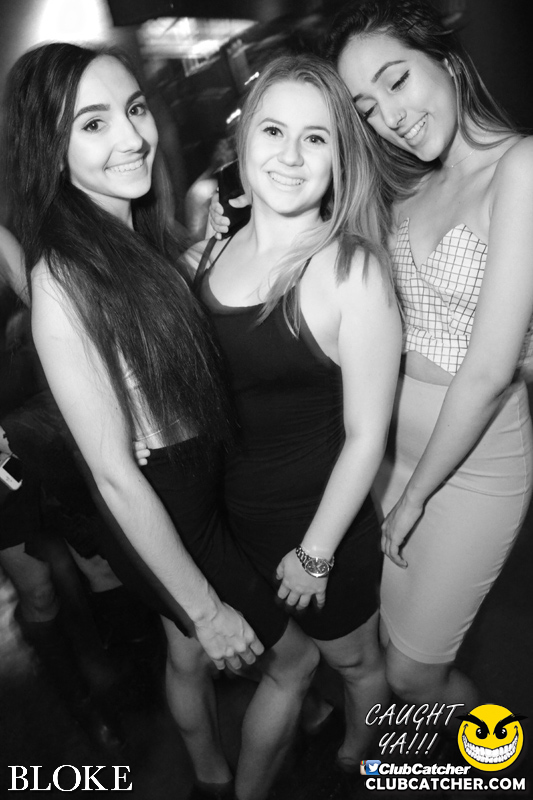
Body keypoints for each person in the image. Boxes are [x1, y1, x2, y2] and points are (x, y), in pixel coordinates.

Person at [4, 43, 320, 800]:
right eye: (93, 124)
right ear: (50, 148)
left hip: (188, 485)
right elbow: (114, 474)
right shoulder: (62, 280)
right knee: (294, 661)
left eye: (135, 110)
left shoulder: (125, 235)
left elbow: (148, 337)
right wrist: (207, 609)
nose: (131, 137)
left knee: (184, 657)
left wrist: (201, 252)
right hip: (164, 506)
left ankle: (208, 775)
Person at [321, 0, 533, 711]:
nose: (390, 116)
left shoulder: (521, 166)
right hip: (389, 450)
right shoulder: (409, 186)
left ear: (445, 61)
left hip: (470, 462)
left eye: (396, 80)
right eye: (367, 107)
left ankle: (500, 759)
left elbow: (488, 370)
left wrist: (413, 498)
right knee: (391, 648)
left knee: (415, 675)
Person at [191, 53, 402, 770]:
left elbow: (366, 436)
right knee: (285, 667)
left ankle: (357, 761)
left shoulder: (352, 269)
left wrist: (315, 555)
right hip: (237, 524)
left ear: (339, 159)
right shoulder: (217, 250)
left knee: (356, 663)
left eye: (315, 138)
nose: (289, 155)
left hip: (321, 529)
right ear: (243, 140)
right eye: (273, 131)